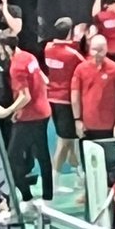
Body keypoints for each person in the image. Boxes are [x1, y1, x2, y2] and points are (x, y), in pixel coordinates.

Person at [0, 32, 53, 204]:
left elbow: (25, 97)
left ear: (7, 47)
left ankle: (27, 198)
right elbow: (45, 80)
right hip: (43, 112)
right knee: (42, 155)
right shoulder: (29, 57)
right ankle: (48, 197)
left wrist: (6, 112)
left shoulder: (16, 67)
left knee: (12, 158)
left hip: (31, 118)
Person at [43, 18, 84, 194]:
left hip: (52, 98)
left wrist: (74, 40)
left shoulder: (48, 48)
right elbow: (84, 64)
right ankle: (53, 182)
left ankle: (79, 177)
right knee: (65, 142)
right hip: (67, 101)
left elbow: (62, 48)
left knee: (71, 141)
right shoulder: (72, 54)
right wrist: (78, 39)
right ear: (69, 32)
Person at [70, 35, 115, 142]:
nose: (97, 53)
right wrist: (77, 120)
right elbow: (75, 96)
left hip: (108, 125)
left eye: (100, 50)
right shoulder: (80, 69)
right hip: (87, 125)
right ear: (89, 49)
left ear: (106, 49)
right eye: (94, 49)